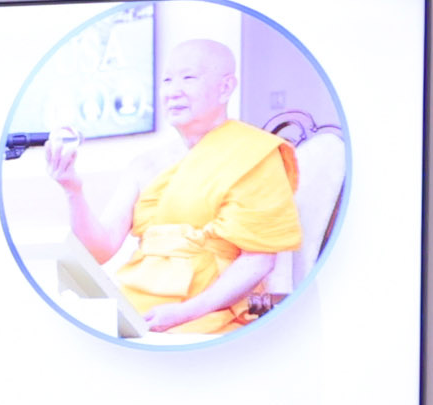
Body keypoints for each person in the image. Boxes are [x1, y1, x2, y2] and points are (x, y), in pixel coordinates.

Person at [45, 36, 304, 340]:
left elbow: (259, 259)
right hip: (133, 308)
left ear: (225, 87)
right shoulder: (145, 164)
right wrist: (72, 190)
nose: (173, 91)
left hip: (209, 313)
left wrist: (187, 311)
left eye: (188, 78)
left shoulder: (254, 153)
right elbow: (98, 251)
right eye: (167, 80)